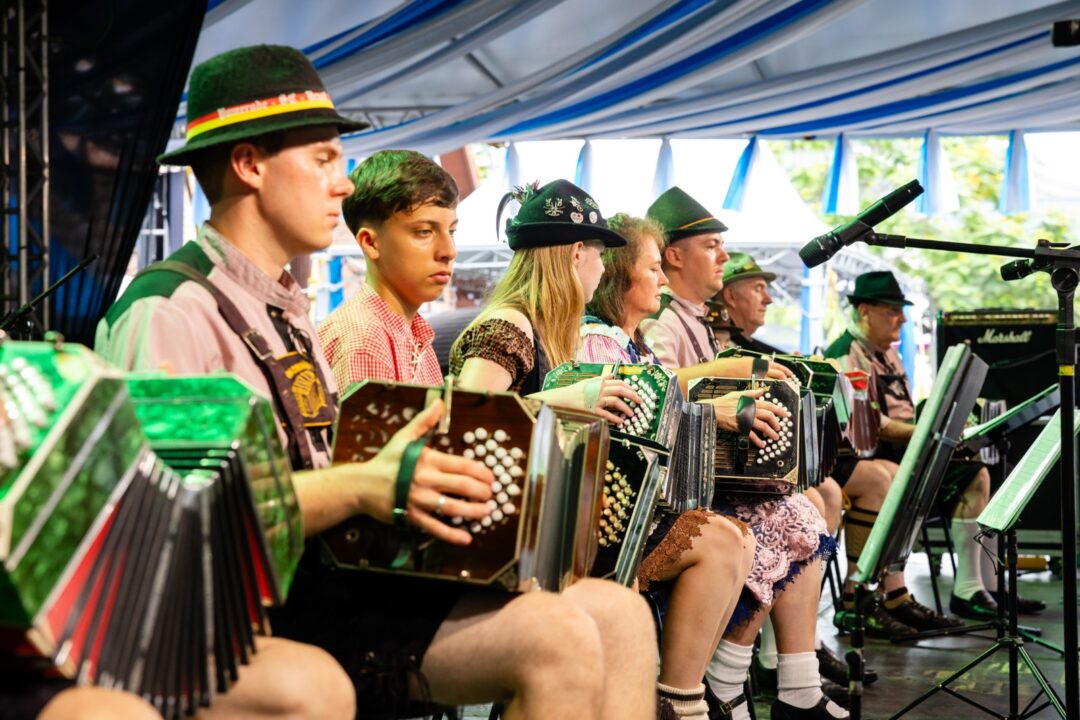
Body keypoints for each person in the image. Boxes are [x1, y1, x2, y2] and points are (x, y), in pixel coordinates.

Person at [96, 45, 543, 720]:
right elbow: (177, 522)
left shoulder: (283, 309)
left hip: (316, 590)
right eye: (325, 159)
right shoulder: (171, 311)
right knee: (554, 635)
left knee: (599, 612)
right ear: (249, 165)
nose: (343, 184)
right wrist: (361, 485)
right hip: (239, 618)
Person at [317, 154, 659, 719]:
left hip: (424, 563)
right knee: (578, 622)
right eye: (424, 232)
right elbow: (374, 515)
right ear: (370, 243)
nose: (448, 251)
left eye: (451, 231)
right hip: (389, 591)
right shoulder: (364, 336)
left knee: (624, 610)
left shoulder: (413, 332)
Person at [641, 187, 843, 720]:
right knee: (786, 516)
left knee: (804, 508)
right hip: (678, 491)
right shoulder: (662, 322)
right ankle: (732, 681)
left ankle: (792, 680)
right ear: (674, 255)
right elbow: (660, 399)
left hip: (705, 480)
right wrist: (724, 377)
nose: (723, 256)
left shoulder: (692, 318)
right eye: (711, 245)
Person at [579, 212, 758, 720]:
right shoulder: (598, 341)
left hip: (641, 508)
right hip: (606, 521)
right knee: (723, 540)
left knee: (740, 537)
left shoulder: (630, 343)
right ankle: (682, 697)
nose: (661, 279)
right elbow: (627, 436)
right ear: (620, 275)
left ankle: (695, 687)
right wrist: (712, 410)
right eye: (653, 267)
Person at [824, 271, 1045, 625]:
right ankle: (909, 594)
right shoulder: (846, 355)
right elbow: (873, 426)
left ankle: (983, 585)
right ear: (865, 310)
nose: (902, 319)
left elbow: (905, 413)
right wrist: (932, 433)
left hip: (902, 452)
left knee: (984, 468)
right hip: (873, 457)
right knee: (964, 474)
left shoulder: (888, 355)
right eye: (892, 310)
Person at [717, 251, 865, 688]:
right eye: (758, 288)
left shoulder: (741, 343)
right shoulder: (699, 332)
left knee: (820, 495)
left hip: (734, 469)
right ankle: (776, 661)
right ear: (729, 295)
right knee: (806, 503)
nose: (768, 298)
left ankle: (793, 650)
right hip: (716, 479)